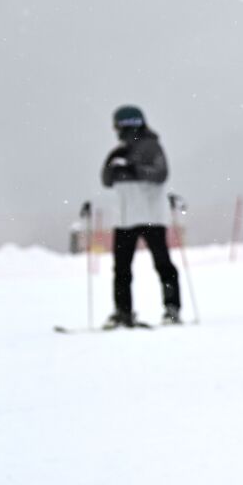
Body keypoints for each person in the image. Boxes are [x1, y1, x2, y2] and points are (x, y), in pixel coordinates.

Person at [100, 105, 181, 328]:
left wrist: (134, 169)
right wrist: (115, 168)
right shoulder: (119, 151)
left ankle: (172, 308)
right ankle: (123, 311)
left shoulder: (152, 147)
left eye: (118, 127)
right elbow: (106, 180)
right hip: (125, 219)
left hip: (152, 217)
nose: (116, 132)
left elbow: (161, 174)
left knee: (162, 264)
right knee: (121, 269)